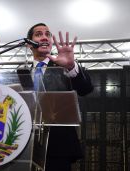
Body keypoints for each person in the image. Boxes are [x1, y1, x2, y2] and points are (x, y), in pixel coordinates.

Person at [27, 23, 93, 171]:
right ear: (28, 44)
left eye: (48, 34)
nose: (44, 37)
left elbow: (85, 88)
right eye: (38, 34)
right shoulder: (21, 72)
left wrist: (71, 67)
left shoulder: (63, 66)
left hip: (57, 147)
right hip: (24, 146)